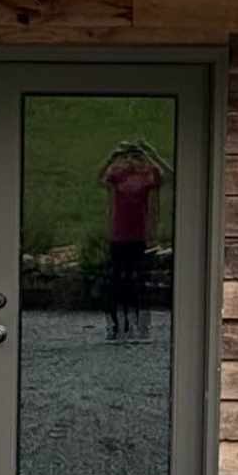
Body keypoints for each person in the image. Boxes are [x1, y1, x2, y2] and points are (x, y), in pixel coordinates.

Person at [99, 139, 168, 339]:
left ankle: (137, 323)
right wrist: (113, 156)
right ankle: (117, 324)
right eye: (129, 156)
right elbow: (100, 178)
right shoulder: (118, 176)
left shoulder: (146, 177)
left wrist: (151, 154)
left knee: (136, 280)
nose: (131, 160)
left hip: (137, 235)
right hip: (118, 235)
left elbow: (166, 176)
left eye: (135, 156)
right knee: (116, 281)